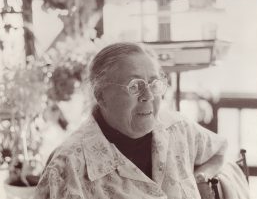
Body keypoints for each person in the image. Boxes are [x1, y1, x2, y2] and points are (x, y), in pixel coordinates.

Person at [34, 42, 227, 199]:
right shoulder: (66, 169)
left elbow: (219, 150)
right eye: (135, 86)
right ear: (101, 95)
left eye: (153, 83)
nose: (148, 95)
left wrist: (202, 179)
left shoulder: (178, 129)